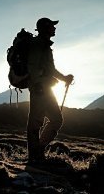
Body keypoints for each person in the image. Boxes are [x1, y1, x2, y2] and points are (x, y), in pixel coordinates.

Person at [26, 17, 74, 164]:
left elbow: (50, 69)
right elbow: (32, 66)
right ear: (45, 28)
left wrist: (64, 78)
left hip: (44, 88)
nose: (54, 28)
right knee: (39, 122)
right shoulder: (38, 45)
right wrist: (37, 84)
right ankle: (36, 155)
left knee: (45, 121)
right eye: (52, 26)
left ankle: (37, 153)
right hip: (41, 89)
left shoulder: (44, 45)